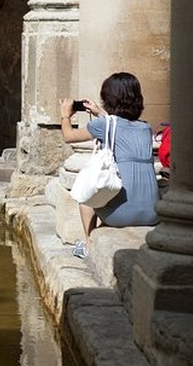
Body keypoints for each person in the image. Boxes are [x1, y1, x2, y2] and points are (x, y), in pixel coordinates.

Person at [60, 72, 160, 259]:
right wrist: (100, 113)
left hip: (120, 217)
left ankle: (89, 244)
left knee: (86, 195)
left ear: (108, 98)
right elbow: (120, 126)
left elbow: (68, 137)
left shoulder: (103, 124)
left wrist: (65, 116)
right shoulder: (145, 127)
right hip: (152, 213)